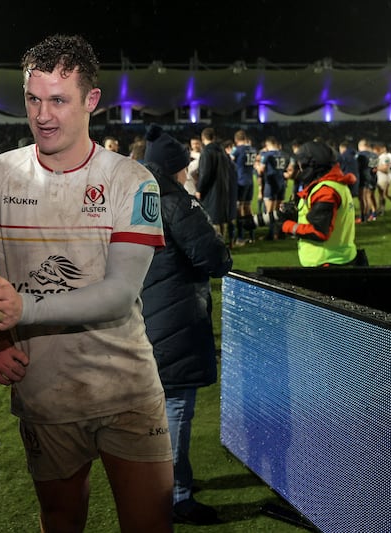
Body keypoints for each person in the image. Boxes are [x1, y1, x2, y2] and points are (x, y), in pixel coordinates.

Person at [0, 34, 174, 532]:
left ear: (91, 100)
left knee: (150, 525)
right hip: (45, 391)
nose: (42, 115)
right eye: (33, 99)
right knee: (60, 521)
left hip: (126, 387)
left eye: (58, 100)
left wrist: (23, 311)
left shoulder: (132, 179)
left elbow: (119, 294)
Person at [141, 124, 232, 525]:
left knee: (152, 410)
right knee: (175, 407)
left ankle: (160, 484)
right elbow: (214, 258)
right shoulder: (175, 200)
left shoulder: (134, 195)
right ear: (175, 167)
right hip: (175, 314)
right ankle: (176, 495)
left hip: (143, 313)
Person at [279, 141, 361, 267]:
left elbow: (319, 231)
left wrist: (287, 226)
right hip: (340, 258)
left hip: (326, 262)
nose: (300, 169)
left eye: (302, 165)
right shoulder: (336, 185)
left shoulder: (325, 191)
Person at [197, 127, 237, 243]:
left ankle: (217, 245)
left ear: (203, 138)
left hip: (211, 191)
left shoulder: (207, 152)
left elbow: (205, 173)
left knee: (213, 219)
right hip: (224, 189)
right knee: (221, 219)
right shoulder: (223, 152)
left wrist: (200, 189)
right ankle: (223, 242)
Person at [230, 129, 257, 246]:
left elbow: (229, 161)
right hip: (250, 181)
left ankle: (240, 237)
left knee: (239, 208)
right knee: (248, 208)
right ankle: (251, 235)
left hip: (240, 181)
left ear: (236, 140)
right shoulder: (252, 149)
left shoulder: (237, 150)